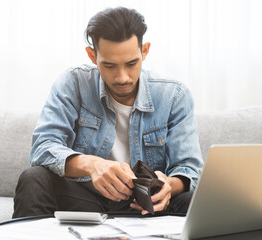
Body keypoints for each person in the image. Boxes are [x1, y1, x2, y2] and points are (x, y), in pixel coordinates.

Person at [13, 7, 204, 218]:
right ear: (92, 55)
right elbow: (43, 148)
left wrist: (169, 185)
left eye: (132, 64)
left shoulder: (174, 95)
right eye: (110, 65)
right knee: (34, 178)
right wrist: (92, 165)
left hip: (146, 207)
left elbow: (189, 169)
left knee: (195, 201)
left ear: (145, 51)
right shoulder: (73, 83)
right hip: (85, 200)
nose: (122, 77)